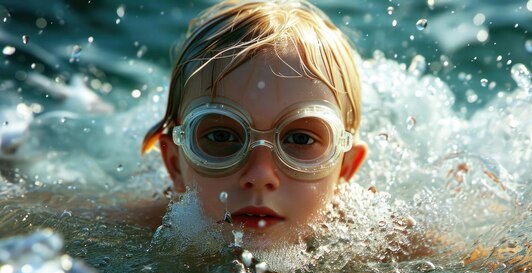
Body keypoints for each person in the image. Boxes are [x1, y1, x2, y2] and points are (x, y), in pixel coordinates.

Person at [141, 0, 368, 249]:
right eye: (221, 137)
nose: (260, 176)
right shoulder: (132, 232)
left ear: (345, 169)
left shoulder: (387, 249)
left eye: (300, 139)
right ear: (175, 164)